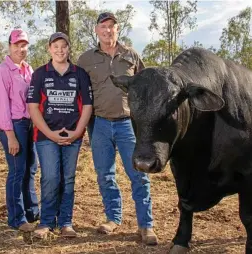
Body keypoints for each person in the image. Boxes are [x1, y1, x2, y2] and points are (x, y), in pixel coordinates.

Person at [77, 12, 158, 245]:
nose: (107, 30)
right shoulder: (85, 59)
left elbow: (146, 87)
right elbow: (79, 91)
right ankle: (113, 218)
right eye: (103, 26)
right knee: (105, 175)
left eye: (111, 26)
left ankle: (146, 225)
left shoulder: (131, 55)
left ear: (117, 29)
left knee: (139, 174)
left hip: (128, 125)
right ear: (96, 30)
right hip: (99, 124)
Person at [27, 32, 93, 238]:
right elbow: (33, 108)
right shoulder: (39, 74)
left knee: (68, 179)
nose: (60, 50)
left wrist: (77, 132)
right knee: (51, 177)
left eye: (63, 46)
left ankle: (66, 222)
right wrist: (51, 134)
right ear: (49, 49)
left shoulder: (80, 74)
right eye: (55, 46)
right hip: (46, 137)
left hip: (73, 136)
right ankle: (46, 222)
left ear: (68, 49)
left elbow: (88, 106)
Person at [0, 28, 39, 232]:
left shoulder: (29, 70)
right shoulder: (0, 72)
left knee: (31, 168)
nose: (21, 48)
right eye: (17, 44)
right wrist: (10, 136)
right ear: (9, 46)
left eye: (24, 44)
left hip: (29, 124)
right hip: (14, 126)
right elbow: (1, 107)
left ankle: (32, 212)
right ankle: (16, 218)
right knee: (18, 170)